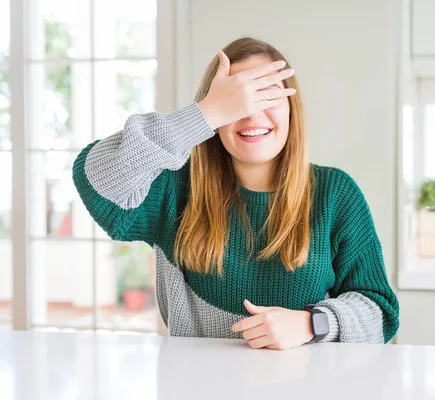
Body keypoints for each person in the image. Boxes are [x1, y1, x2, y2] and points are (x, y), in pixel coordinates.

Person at [73, 37, 399, 350]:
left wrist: (312, 324)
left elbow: (380, 312)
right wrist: (205, 114)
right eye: (237, 101)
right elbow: (96, 178)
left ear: (290, 108)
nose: (252, 113)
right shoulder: (173, 187)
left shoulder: (334, 193)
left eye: (266, 96)